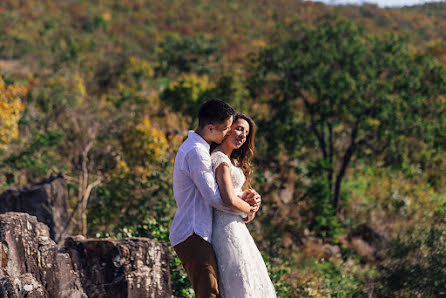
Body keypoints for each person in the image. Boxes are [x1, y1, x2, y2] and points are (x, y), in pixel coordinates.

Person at [170, 99, 260, 298]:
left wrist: (243, 201)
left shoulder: (200, 148)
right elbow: (215, 198)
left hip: (202, 231)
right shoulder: (196, 152)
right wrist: (247, 208)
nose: (229, 132)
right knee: (209, 293)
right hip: (192, 231)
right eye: (227, 128)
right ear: (211, 128)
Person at [211, 113, 276, 297]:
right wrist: (250, 208)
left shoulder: (233, 161)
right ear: (228, 128)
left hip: (238, 226)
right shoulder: (219, 159)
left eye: (246, 133)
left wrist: (251, 200)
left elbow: (240, 203)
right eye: (239, 129)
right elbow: (228, 199)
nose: (242, 136)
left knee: (250, 278)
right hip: (226, 227)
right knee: (238, 280)